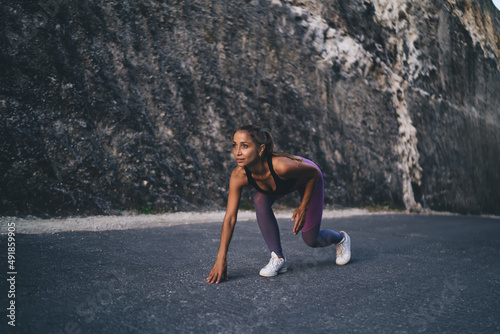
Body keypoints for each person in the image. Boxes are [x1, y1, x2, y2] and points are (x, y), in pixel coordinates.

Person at [206, 125, 351, 284]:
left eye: (245, 146)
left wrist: (303, 207)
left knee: (312, 240)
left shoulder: (282, 165)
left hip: (309, 179)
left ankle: (341, 239)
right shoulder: (238, 176)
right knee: (260, 199)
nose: (237, 152)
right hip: (281, 184)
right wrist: (221, 259)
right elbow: (230, 218)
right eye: (234, 145)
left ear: (260, 149)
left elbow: (313, 174)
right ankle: (278, 258)